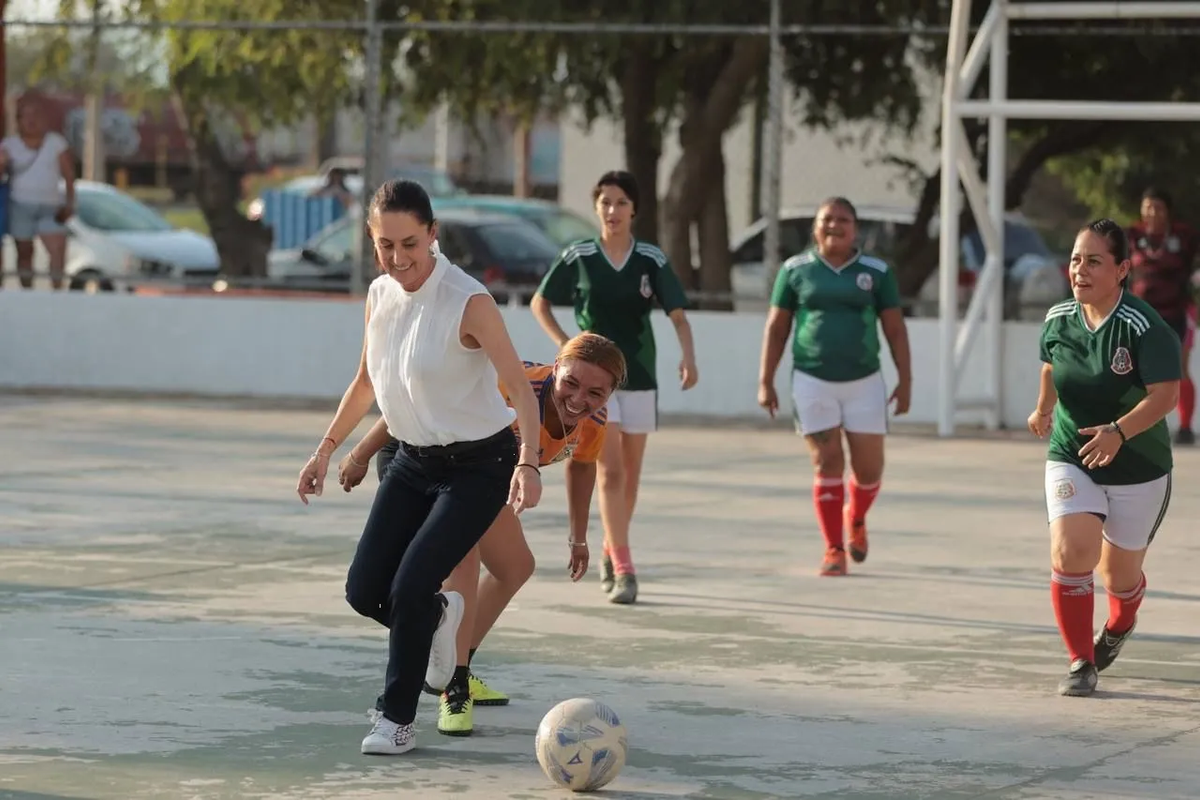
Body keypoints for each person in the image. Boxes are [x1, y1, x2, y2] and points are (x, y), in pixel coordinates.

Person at [295, 178, 544, 756]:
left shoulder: (468, 301)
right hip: (410, 460)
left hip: (479, 466)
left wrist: (528, 464)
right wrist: (327, 450)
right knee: (363, 590)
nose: (399, 258)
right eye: (386, 245)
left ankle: (396, 719)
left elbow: (522, 394)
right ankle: (437, 623)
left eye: (410, 243)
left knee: (410, 585)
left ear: (432, 235)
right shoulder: (379, 295)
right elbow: (365, 384)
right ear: (371, 241)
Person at [337, 333, 627, 736]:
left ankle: (455, 656)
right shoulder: (509, 388)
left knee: (516, 566)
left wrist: (578, 538)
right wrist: (359, 454)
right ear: (556, 367)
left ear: (612, 393)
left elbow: (581, 467)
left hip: (477, 480)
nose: (580, 399)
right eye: (571, 383)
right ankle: (452, 684)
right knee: (463, 555)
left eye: (597, 392)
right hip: (419, 458)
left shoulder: (594, 419)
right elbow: (422, 401)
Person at [530, 169, 699, 605]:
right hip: (593, 386)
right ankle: (624, 564)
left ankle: (610, 544)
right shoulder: (579, 255)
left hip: (639, 375)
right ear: (596, 208)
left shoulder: (650, 259)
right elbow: (540, 301)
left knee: (631, 476)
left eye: (621, 202)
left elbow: (678, 314)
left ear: (634, 209)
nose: (612, 210)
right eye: (604, 201)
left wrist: (689, 356)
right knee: (611, 469)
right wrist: (566, 345)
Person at [1029, 218, 1179, 698]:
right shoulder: (1057, 319)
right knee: (1072, 552)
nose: (1081, 269)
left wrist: (1118, 432)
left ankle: (1117, 626)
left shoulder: (1144, 326)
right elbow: (1052, 364)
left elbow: (1165, 396)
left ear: (1122, 270)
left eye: (1094, 260)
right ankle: (1080, 661)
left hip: (1139, 466)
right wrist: (1044, 407)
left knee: (1119, 576)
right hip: (1072, 453)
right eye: (1075, 259)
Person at [757, 197, 912, 577]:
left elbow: (894, 328)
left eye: (843, 220)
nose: (834, 226)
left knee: (869, 469)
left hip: (865, 383)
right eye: (827, 220)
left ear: (855, 229)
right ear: (815, 227)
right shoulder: (794, 271)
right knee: (827, 462)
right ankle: (833, 548)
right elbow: (777, 328)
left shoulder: (876, 272)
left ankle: (855, 518)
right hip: (813, 380)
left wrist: (905, 381)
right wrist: (766, 380)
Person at [1125, 188, 1198, 445]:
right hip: (1142, 314)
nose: (1153, 213)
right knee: (1135, 370)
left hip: (1177, 311)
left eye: (1158, 207)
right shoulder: (1131, 235)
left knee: (1178, 368)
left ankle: (1186, 427)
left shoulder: (1185, 236)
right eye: (1148, 207)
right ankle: (1138, 425)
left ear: (1168, 211)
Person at [1, 97, 75, 290]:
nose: (31, 120)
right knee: (25, 251)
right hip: (20, 204)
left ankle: (57, 291)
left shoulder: (55, 142)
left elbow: (68, 174)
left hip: (50, 205)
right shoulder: (9, 145)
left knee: (57, 247)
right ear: (18, 120)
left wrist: (70, 203)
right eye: (26, 116)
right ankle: (27, 292)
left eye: (36, 115)